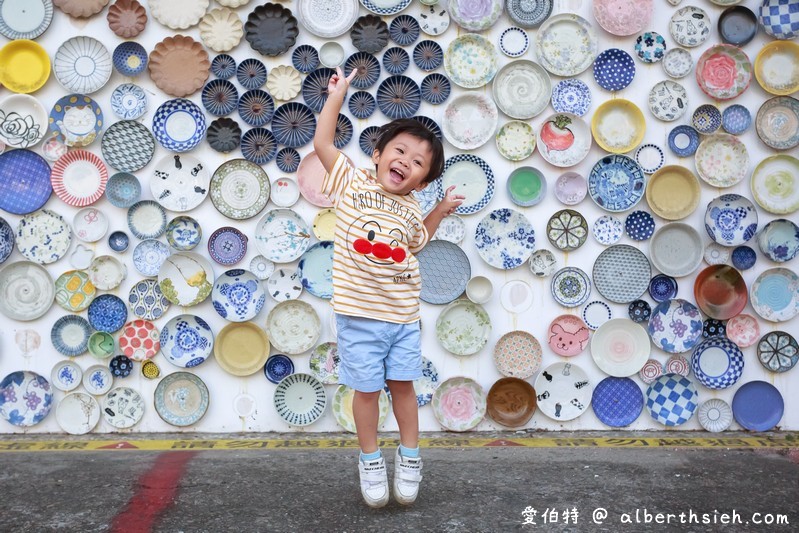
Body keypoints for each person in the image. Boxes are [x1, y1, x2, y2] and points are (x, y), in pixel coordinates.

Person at [313, 67, 464, 508]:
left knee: (403, 388)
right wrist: (336, 97)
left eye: (418, 163)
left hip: (402, 317)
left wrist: (440, 209)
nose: (406, 162)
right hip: (359, 317)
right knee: (365, 391)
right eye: (400, 151)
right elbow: (323, 142)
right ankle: (370, 459)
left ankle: (411, 456)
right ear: (378, 153)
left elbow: (418, 242)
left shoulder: (412, 207)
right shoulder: (352, 180)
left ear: (422, 180)